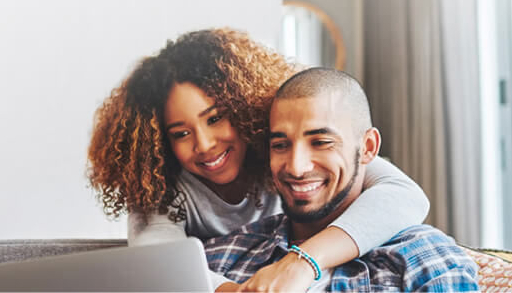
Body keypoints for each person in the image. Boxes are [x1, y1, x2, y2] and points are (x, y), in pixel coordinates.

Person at [87, 28, 430, 292]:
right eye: (180, 133)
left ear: (244, 109)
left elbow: (405, 195)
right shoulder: (161, 186)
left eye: (215, 118)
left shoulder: (286, 153)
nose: (204, 145)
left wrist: (302, 262)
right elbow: (156, 258)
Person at [204, 67, 478, 292]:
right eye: (280, 145)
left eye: (321, 142)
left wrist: (302, 262)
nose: (297, 168)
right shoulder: (222, 256)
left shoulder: (425, 260)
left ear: (368, 147)